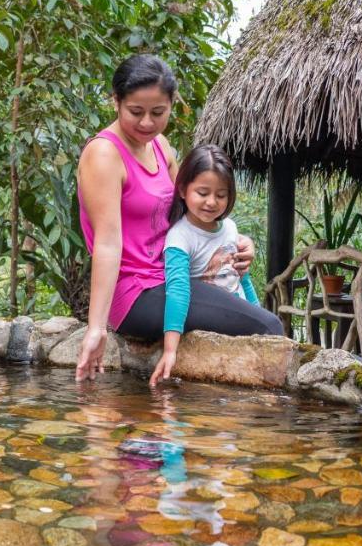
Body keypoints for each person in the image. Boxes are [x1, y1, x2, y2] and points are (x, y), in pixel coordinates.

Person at [75, 55, 282, 381]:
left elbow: (191, 212)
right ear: (116, 101)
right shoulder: (104, 154)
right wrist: (96, 328)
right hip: (137, 293)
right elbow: (108, 244)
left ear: (172, 104)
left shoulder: (160, 146)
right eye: (135, 112)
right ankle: (264, 429)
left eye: (158, 113)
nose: (146, 123)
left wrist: (240, 244)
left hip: (176, 277)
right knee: (268, 326)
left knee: (264, 321)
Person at [149, 145, 261, 386]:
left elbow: (241, 276)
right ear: (182, 189)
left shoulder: (230, 227)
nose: (211, 202)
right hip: (213, 321)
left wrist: (258, 311)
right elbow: (177, 291)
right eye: (202, 192)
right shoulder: (180, 237)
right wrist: (170, 350)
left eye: (221, 195)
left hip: (239, 314)